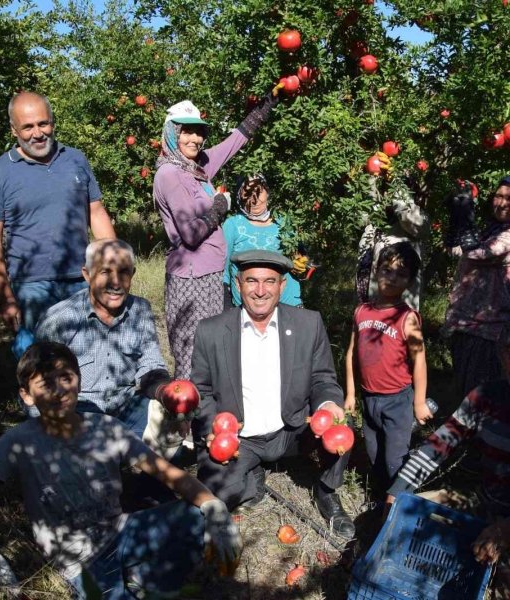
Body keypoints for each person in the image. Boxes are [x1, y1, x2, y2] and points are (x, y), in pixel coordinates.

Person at [0, 341, 241, 600]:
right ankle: (136, 582)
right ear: (27, 395)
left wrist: (212, 506)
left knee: (194, 517)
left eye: (66, 377)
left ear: (79, 380)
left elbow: (168, 473)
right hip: (79, 561)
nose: (60, 390)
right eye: (46, 383)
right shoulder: (18, 442)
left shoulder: (105, 428)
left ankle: (146, 581)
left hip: (120, 531)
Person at [386, 323, 510, 600]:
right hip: (484, 499)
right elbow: (439, 446)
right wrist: (398, 492)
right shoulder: (485, 397)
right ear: (504, 357)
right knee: (412, 514)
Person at [190, 250, 356, 539]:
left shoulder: (308, 324)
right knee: (216, 497)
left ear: (282, 286)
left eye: (270, 281)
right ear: (238, 283)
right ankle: (253, 472)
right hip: (241, 438)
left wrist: (329, 404)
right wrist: (211, 429)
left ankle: (326, 490)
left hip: (292, 429)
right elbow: (201, 390)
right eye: (251, 281)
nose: (260, 290)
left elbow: (323, 378)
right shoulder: (211, 331)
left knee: (343, 427)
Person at [154, 94, 278, 379]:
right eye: (187, 131)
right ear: (172, 132)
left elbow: (234, 142)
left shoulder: (196, 169)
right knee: (191, 357)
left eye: (199, 131)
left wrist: (269, 102)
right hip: (191, 279)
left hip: (210, 276)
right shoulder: (170, 174)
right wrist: (220, 206)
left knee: (210, 353)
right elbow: (191, 234)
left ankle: (207, 418)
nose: (195, 138)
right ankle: (185, 419)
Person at [0, 91, 117, 336]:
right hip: (31, 286)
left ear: (52, 122)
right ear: (14, 130)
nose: (38, 133)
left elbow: (96, 213)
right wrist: (5, 297)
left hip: (81, 278)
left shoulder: (75, 159)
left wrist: (113, 268)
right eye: (28, 127)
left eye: (43, 123)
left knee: (89, 356)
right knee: (42, 363)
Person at [35, 239, 173, 442]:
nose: (115, 282)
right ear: (87, 275)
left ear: (133, 274)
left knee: (172, 436)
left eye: (124, 272)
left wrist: (165, 391)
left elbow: (150, 364)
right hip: (78, 412)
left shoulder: (141, 310)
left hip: (127, 407)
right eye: (105, 272)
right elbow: (38, 383)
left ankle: (140, 468)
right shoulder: (59, 320)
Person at [344, 242, 431, 496]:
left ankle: (397, 501)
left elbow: (419, 360)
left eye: (401, 274)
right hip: (368, 397)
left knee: (395, 456)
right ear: (376, 271)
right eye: (387, 270)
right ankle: (380, 494)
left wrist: (419, 402)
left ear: (410, 281)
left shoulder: (407, 318)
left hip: (397, 400)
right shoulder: (362, 311)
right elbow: (351, 353)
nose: (392, 278)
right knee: (373, 450)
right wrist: (350, 394)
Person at [444, 174, 510, 398]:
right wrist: (455, 217)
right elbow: (456, 249)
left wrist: (466, 216)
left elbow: (478, 253)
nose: (502, 203)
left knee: (480, 397)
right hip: (469, 325)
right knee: (465, 393)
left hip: (492, 331)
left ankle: (479, 433)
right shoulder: (493, 231)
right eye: (498, 196)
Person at [222, 173, 303, 307]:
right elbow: (222, 270)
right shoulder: (233, 225)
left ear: (268, 192)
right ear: (239, 197)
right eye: (247, 193)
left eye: (259, 191)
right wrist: (226, 304)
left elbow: (300, 258)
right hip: (248, 306)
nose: (254, 199)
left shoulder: (284, 223)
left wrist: (303, 266)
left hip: (287, 304)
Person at [356, 174, 431, 310]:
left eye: (393, 190)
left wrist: (397, 182)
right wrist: (371, 179)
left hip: (397, 314)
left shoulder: (416, 218)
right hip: (368, 304)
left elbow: (411, 219)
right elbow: (361, 216)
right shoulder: (376, 219)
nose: (389, 193)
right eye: (386, 188)